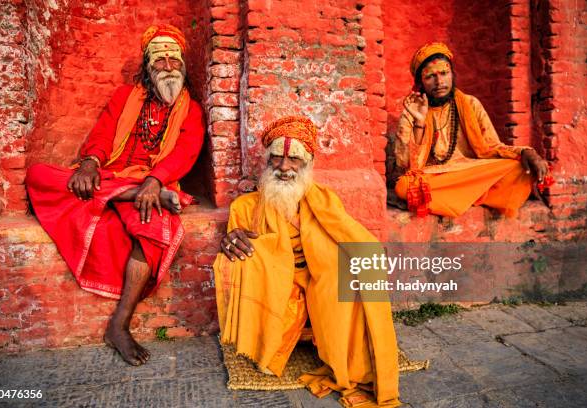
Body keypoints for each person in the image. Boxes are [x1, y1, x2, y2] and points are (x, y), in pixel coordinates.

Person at [25, 24, 204, 366]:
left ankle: (118, 326)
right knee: (39, 174)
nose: (168, 66)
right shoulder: (125, 96)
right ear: (148, 67)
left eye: (174, 59)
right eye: (160, 59)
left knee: (152, 231)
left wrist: (155, 181)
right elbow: (103, 134)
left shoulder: (191, 110)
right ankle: (128, 193)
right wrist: (90, 164)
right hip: (113, 178)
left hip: (154, 184)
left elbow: (186, 151)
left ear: (182, 65)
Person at [213, 116, 400, 408]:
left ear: (308, 163)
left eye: (294, 160)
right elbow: (241, 254)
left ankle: (348, 358)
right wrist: (231, 243)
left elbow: (351, 238)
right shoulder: (245, 207)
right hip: (277, 286)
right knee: (243, 261)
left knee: (351, 273)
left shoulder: (325, 200)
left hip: (317, 278)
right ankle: (265, 343)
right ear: (267, 161)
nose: (284, 167)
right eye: (277, 158)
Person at [394, 42, 550, 217]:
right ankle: (475, 195)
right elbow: (405, 165)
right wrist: (419, 123)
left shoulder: (470, 104)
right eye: (430, 76)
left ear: (452, 74)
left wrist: (524, 152)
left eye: (444, 73)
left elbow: (492, 147)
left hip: (471, 172)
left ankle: (458, 198)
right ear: (420, 83)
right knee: (404, 186)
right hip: (437, 177)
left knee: (519, 168)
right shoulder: (412, 111)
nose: (439, 82)